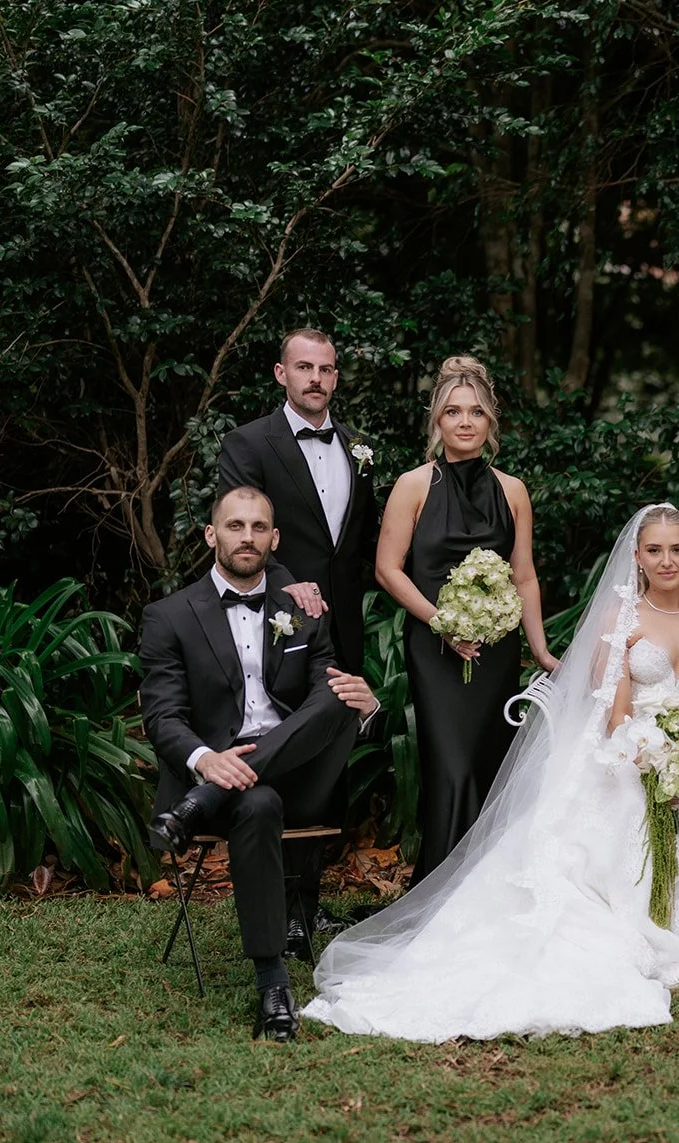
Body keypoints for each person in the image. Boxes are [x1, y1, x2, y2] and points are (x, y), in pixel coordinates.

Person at [304, 504, 679, 1041]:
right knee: (623, 809)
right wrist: (653, 760)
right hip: (632, 749)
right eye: (654, 550)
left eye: (677, 550)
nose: (666, 561)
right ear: (638, 557)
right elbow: (615, 715)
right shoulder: (620, 619)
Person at [139, 487, 380, 1041]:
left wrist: (367, 706)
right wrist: (206, 762)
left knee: (340, 692)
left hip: (293, 777)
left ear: (275, 539)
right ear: (211, 535)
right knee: (258, 803)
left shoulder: (302, 611)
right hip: (224, 778)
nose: (246, 537)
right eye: (235, 526)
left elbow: (326, 696)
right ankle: (273, 983)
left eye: (258, 528)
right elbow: (163, 716)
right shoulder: (169, 616)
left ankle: (200, 806)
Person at [218, 328, 381, 945]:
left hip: (345, 623)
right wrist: (287, 584)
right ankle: (280, 905)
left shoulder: (358, 447)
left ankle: (308, 906)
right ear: (280, 373)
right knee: (284, 740)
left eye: (327, 369)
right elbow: (242, 532)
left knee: (329, 757)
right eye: (304, 367)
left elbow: (360, 542)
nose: (316, 379)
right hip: (278, 622)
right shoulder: (248, 442)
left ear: (336, 377)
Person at [375, 356, 558, 883]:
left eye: (476, 412)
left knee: (486, 764)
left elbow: (524, 576)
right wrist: (442, 624)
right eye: (453, 411)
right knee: (450, 769)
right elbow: (388, 569)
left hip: (495, 653)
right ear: (437, 419)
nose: (465, 422)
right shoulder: (413, 485)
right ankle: (439, 887)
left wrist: (540, 650)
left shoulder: (512, 490)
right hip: (435, 649)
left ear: (490, 422)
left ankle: (484, 889)